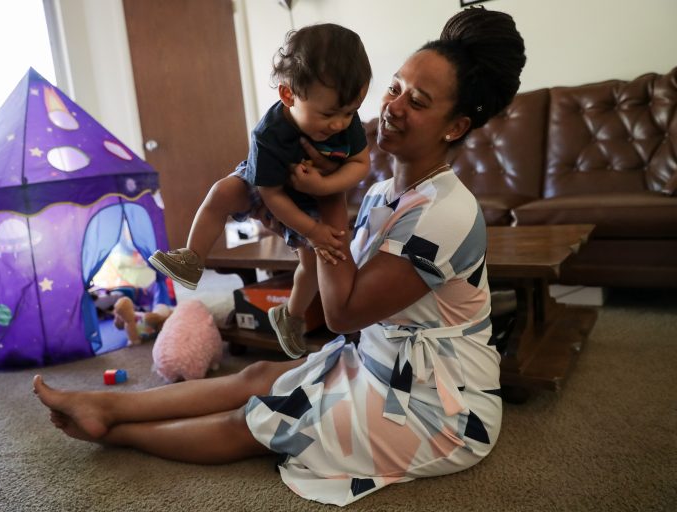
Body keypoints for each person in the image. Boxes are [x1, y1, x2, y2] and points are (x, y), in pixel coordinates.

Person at [33, 7, 526, 506]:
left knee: (259, 420)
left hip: (436, 405)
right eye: (395, 87)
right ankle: (107, 404)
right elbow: (336, 264)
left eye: (416, 101)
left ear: (455, 126)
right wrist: (293, 222)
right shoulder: (381, 193)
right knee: (256, 376)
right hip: (376, 360)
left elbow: (342, 313)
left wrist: (326, 195)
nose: (393, 106)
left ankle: (111, 430)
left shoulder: (445, 212)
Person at [148, 23, 372, 359]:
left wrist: (323, 187)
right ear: (288, 95)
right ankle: (192, 258)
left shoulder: (346, 120)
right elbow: (271, 195)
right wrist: (311, 231)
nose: (340, 124)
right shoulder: (269, 133)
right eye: (328, 114)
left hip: (312, 197)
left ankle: (291, 316)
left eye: (349, 112)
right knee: (222, 192)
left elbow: (360, 164)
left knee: (313, 262)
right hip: (268, 186)